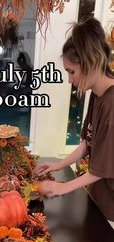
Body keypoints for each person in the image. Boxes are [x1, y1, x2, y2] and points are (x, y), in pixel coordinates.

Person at [36, 17, 114, 223]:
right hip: (100, 198)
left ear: (90, 62)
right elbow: (88, 143)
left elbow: (102, 168)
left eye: (72, 72)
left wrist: (62, 188)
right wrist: (58, 165)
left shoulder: (112, 104)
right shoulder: (96, 95)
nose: (70, 80)